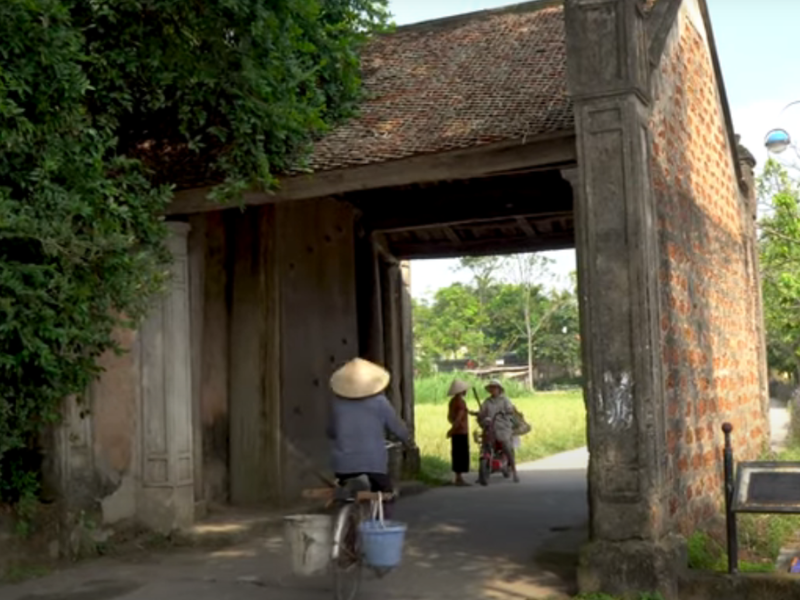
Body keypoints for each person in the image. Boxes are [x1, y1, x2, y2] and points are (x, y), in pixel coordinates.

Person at [327, 358, 413, 508]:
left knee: (344, 496)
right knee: (386, 497)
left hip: (344, 465)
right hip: (373, 464)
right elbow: (396, 426)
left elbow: (331, 431)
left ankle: (345, 524)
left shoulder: (338, 404)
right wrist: (407, 439)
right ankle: (380, 527)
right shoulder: (380, 402)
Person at [478, 379, 519, 483]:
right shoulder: (487, 401)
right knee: (484, 446)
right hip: (490, 428)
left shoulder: (505, 400)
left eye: (494, 387)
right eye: (491, 387)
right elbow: (481, 412)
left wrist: (506, 411)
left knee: (506, 446)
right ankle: (481, 472)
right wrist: (480, 415)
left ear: (499, 389)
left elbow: (510, 409)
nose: (492, 389)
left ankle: (514, 472)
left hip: (503, 427)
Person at [446, 379, 471, 486]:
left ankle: (457, 477)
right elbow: (459, 418)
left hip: (457, 431)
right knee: (461, 454)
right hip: (461, 431)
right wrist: (453, 429)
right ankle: (459, 478)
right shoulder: (460, 402)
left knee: (456, 453)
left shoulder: (453, 401)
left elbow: (450, 417)